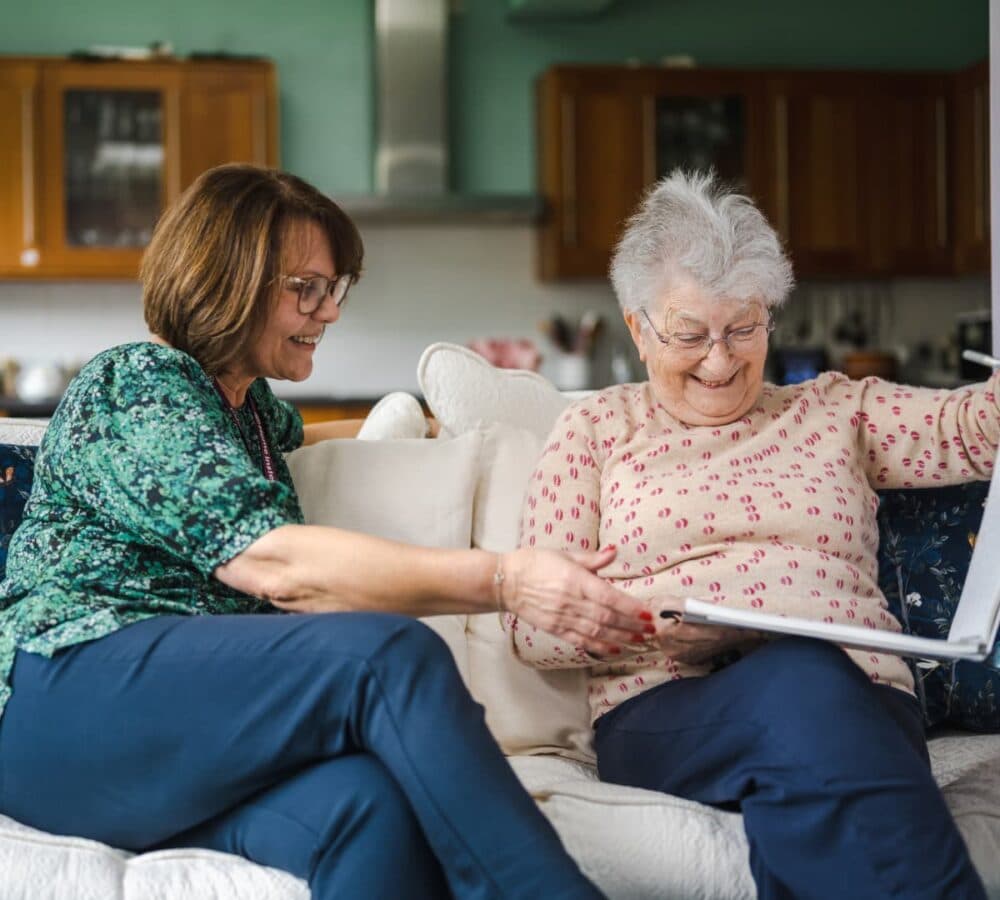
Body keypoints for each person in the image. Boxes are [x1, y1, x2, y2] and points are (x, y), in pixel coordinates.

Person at [0, 163, 657, 900]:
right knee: (385, 653)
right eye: (306, 288)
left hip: (164, 739)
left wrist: (439, 426)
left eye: (335, 288)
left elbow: (308, 437)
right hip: (69, 700)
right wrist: (507, 578)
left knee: (365, 807)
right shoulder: (139, 385)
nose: (330, 310)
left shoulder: (243, 410)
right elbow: (273, 562)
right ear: (226, 279)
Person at [505, 170, 996, 899]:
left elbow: (973, 431)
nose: (721, 359)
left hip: (862, 696)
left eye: (743, 328)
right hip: (669, 708)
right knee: (802, 682)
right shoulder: (599, 430)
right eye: (691, 334)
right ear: (638, 330)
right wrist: (651, 619)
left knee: (810, 750)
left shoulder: (834, 411)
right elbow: (532, 627)